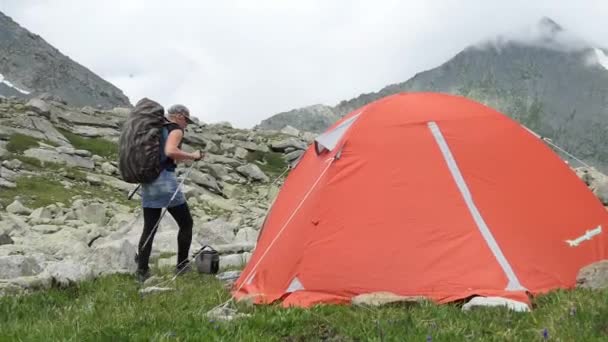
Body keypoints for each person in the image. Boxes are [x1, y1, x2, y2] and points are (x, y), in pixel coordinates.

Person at [135, 104, 203, 282]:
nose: (186, 124)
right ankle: (182, 266)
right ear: (179, 116)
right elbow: (170, 151)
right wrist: (193, 156)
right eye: (186, 120)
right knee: (186, 223)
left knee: (149, 227)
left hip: (149, 181)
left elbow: (165, 154)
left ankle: (142, 270)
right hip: (165, 182)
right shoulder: (175, 130)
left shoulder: (156, 130)